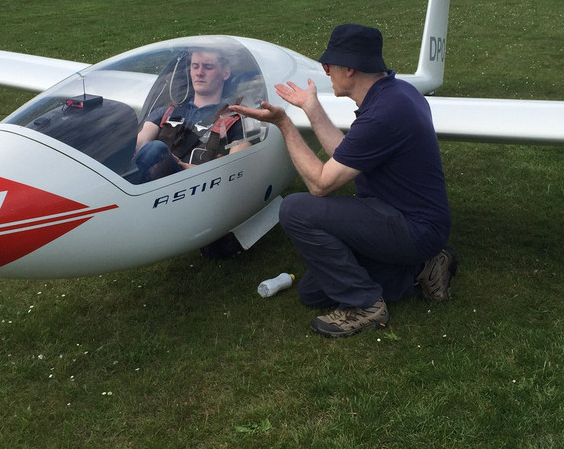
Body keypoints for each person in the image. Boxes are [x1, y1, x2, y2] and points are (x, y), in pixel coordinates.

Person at [231, 23, 456, 338]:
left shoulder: (385, 112)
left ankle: (366, 305)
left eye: (328, 66)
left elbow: (321, 184)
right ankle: (421, 269)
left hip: (413, 226)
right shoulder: (395, 93)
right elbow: (346, 155)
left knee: (295, 209)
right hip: (395, 215)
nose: (325, 72)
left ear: (349, 69)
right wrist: (311, 107)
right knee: (313, 291)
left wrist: (284, 123)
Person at [134, 47, 245, 181]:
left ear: (225, 73)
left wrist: (184, 167)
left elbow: (236, 169)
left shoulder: (235, 121)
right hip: (152, 187)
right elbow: (139, 144)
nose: (199, 73)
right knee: (152, 150)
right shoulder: (165, 113)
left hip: (199, 188)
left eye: (208, 67)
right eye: (195, 66)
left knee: (155, 149)